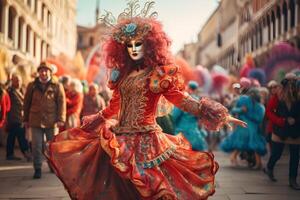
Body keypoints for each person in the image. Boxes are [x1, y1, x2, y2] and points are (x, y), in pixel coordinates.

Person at [45, 7, 245, 200]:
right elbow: (114, 107)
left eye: (138, 44)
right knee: (121, 189)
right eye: (129, 45)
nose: (133, 49)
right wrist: (96, 120)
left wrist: (220, 114)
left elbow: (181, 100)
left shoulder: (159, 74)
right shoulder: (121, 75)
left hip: (148, 142)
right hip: (120, 140)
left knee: (148, 188)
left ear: (149, 46)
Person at [23, 61, 66, 179]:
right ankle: (37, 168)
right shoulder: (32, 86)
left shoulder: (57, 85)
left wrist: (61, 119)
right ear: (39, 72)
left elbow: (62, 103)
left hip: (52, 121)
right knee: (36, 145)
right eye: (41, 70)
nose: (44, 72)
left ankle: (53, 166)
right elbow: (26, 103)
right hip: (35, 120)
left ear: (50, 73)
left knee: (51, 146)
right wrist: (25, 119)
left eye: (46, 70)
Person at [264, 78, 300, 190]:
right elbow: (268, 112)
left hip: (295, 132)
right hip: (280, 131)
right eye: (289, 86)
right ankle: (269, 167)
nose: (291, 88)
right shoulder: (277, 98)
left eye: (292, 86)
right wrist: (281, 121)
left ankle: (292, 180)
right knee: (277, 154)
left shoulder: (298, 98)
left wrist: (296, 120)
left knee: (295, 156)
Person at [220, 88, 266, 169]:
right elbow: (233, 110)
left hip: (252, 129)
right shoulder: (243, 100)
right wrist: (241, 110)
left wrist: (247, 113)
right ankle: (234, 158)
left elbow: (259, 118)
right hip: (243, 127)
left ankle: (258, 163)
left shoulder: (260, 106)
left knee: (253, 145)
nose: (252, 97)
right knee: (240, 143)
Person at [171, 80, 208, 151]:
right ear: (196, 89)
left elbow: (174, 116)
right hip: (194, 134)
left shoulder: (183, 99)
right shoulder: (198, 102)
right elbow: (200, 118)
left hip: (182, 133)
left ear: (188, 87)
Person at [6, 74, 31, 161]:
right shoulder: (10, 91)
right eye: (16, 80)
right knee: (20, 135)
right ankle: (26, 152)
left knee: (12, 136)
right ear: (12, 81)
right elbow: (3, 90)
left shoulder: (21, 90)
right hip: (14, 118)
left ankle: (10, 154)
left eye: (19, 80)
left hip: (20, 117)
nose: (19, 82)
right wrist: (8, 81)